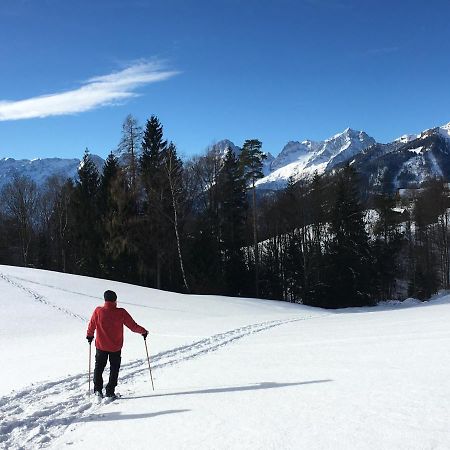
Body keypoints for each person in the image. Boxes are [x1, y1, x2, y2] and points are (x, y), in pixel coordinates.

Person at [86, 290, 148, 400]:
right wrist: (143, 331)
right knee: (114, 368)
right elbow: (133, 326)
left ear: (105, 300)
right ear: (115, 300)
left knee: (99, 367)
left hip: (101, 346)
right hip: (115, 347)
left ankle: (98, 390)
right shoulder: (121, 312)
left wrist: (89, 335)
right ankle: (110, 391)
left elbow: (92, 324)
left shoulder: (98, 311)